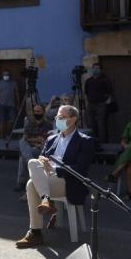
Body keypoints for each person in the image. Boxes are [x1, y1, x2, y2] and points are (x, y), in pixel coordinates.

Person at [15, 105, 94, 248]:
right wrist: (43, 163)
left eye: (62, 117)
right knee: (33, 166)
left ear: (73, 119)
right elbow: (40, 160)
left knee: (31, 184)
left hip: (68, 181)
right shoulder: (51, 139)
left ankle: (35, 232)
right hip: (46, 178)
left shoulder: (85, 140)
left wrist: (55, 168)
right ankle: (45, 204)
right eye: (57, 117)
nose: (58, 120)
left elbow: (81, 169)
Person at [14, 103, 53, 192]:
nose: (36, 113)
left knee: (23, 156)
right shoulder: (30, 123)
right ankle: (29, 160)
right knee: (22, 142)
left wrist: (33, 140)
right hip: (30, 148)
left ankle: (21, 182)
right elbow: (26, 138)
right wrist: (35, 140)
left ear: (43, 112)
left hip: (39, 149)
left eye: (38, 111)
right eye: (35, 111)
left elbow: (44, 141)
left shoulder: (48, 125)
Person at [84, 63, 113, 144]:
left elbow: (109, 92)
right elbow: (86, 92)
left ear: (100, 70)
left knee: (101, 125)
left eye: (97, 68)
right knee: (91, 123)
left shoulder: (105, 80)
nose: (95, 70)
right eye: (94, 68)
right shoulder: (88, 81)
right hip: (91, 104)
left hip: (101, 104)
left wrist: (106, 100)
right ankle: (93, 142)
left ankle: (103, 143)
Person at [0, 71, 19, 139]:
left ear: (9, 75)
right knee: (2, 121)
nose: (6, 76)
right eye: (5, 74)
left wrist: (18, 103)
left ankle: (8, 134)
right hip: (1, 104)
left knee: (11, 120)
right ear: (2, 75)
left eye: (7, 74)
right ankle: (2, 136)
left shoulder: (13, 83)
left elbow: (16, 93)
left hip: (11, 105)